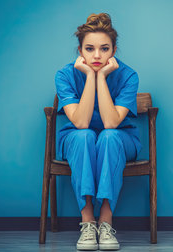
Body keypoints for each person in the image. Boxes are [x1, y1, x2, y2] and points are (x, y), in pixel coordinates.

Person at [54, 13, 142, 251]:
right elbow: (81, 122)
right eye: (89, 48)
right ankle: (87, 222)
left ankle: (105, 221)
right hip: (76, 138)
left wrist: (100, 76)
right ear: (80, 50)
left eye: (104, 49)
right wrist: (89, 76)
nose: (96, 56)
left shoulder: (128, 75)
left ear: (113, 50)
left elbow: (112, 122)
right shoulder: (64, 75)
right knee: (86, 136)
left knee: (108, 136)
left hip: (120, 138)